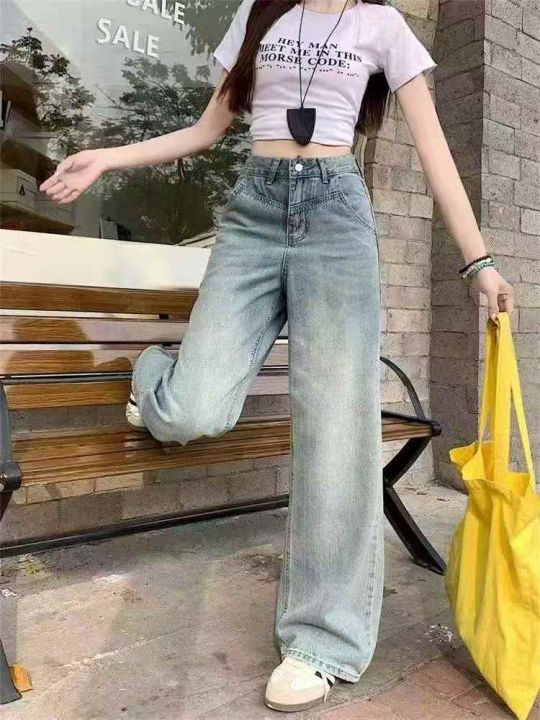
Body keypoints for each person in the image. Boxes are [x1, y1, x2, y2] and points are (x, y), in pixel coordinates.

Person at [39, 0, 515, 712]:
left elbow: (436, 153)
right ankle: (154, 376)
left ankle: (320, 640)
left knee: (336, 431)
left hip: (337, 220)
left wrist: (478, 262)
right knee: (192, 411)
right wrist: (108, 156)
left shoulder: (382, 27)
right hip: (254, 215)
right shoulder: (259, 12)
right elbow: (206, 130)